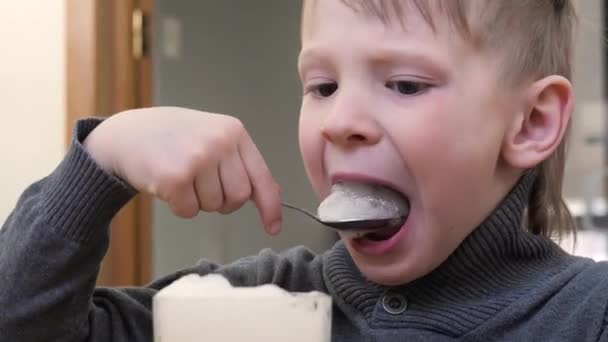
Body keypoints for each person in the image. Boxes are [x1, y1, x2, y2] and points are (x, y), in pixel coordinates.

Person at [1, 0, 602, 341]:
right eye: (322, 86)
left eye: (405, 84)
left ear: (530, 123)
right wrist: (102, 160)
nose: (340, 120)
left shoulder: (588, 316)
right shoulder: (253, 305)